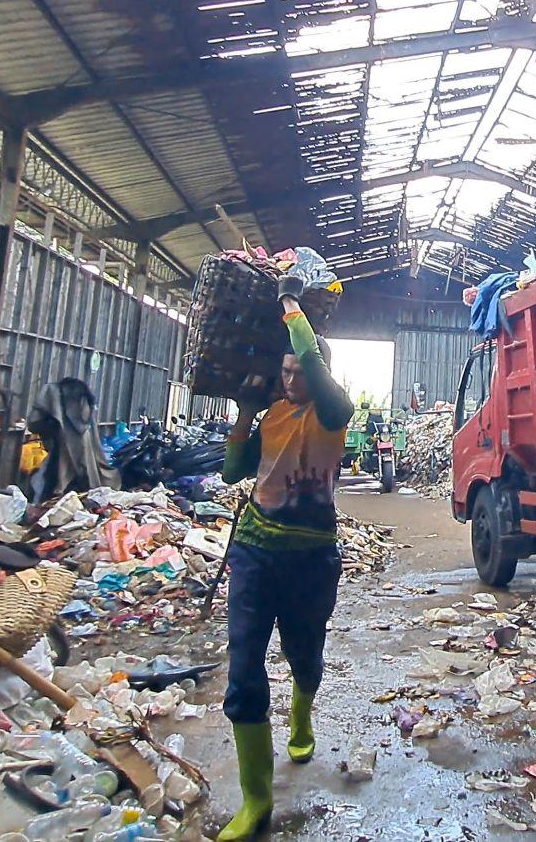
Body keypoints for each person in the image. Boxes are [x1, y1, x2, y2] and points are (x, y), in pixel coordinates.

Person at [214, 275, 354, 839]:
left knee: (305, 653)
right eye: (286, 372)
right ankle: (256, 800)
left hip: (310, 558)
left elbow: (315, 367)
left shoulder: (334, 410)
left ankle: (301, 711)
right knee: (244, 664)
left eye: (301, 370)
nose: (293, 378)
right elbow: (232, 472)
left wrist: (292, 304)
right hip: (253, 550)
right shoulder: (272, 413)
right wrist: (245, 412)